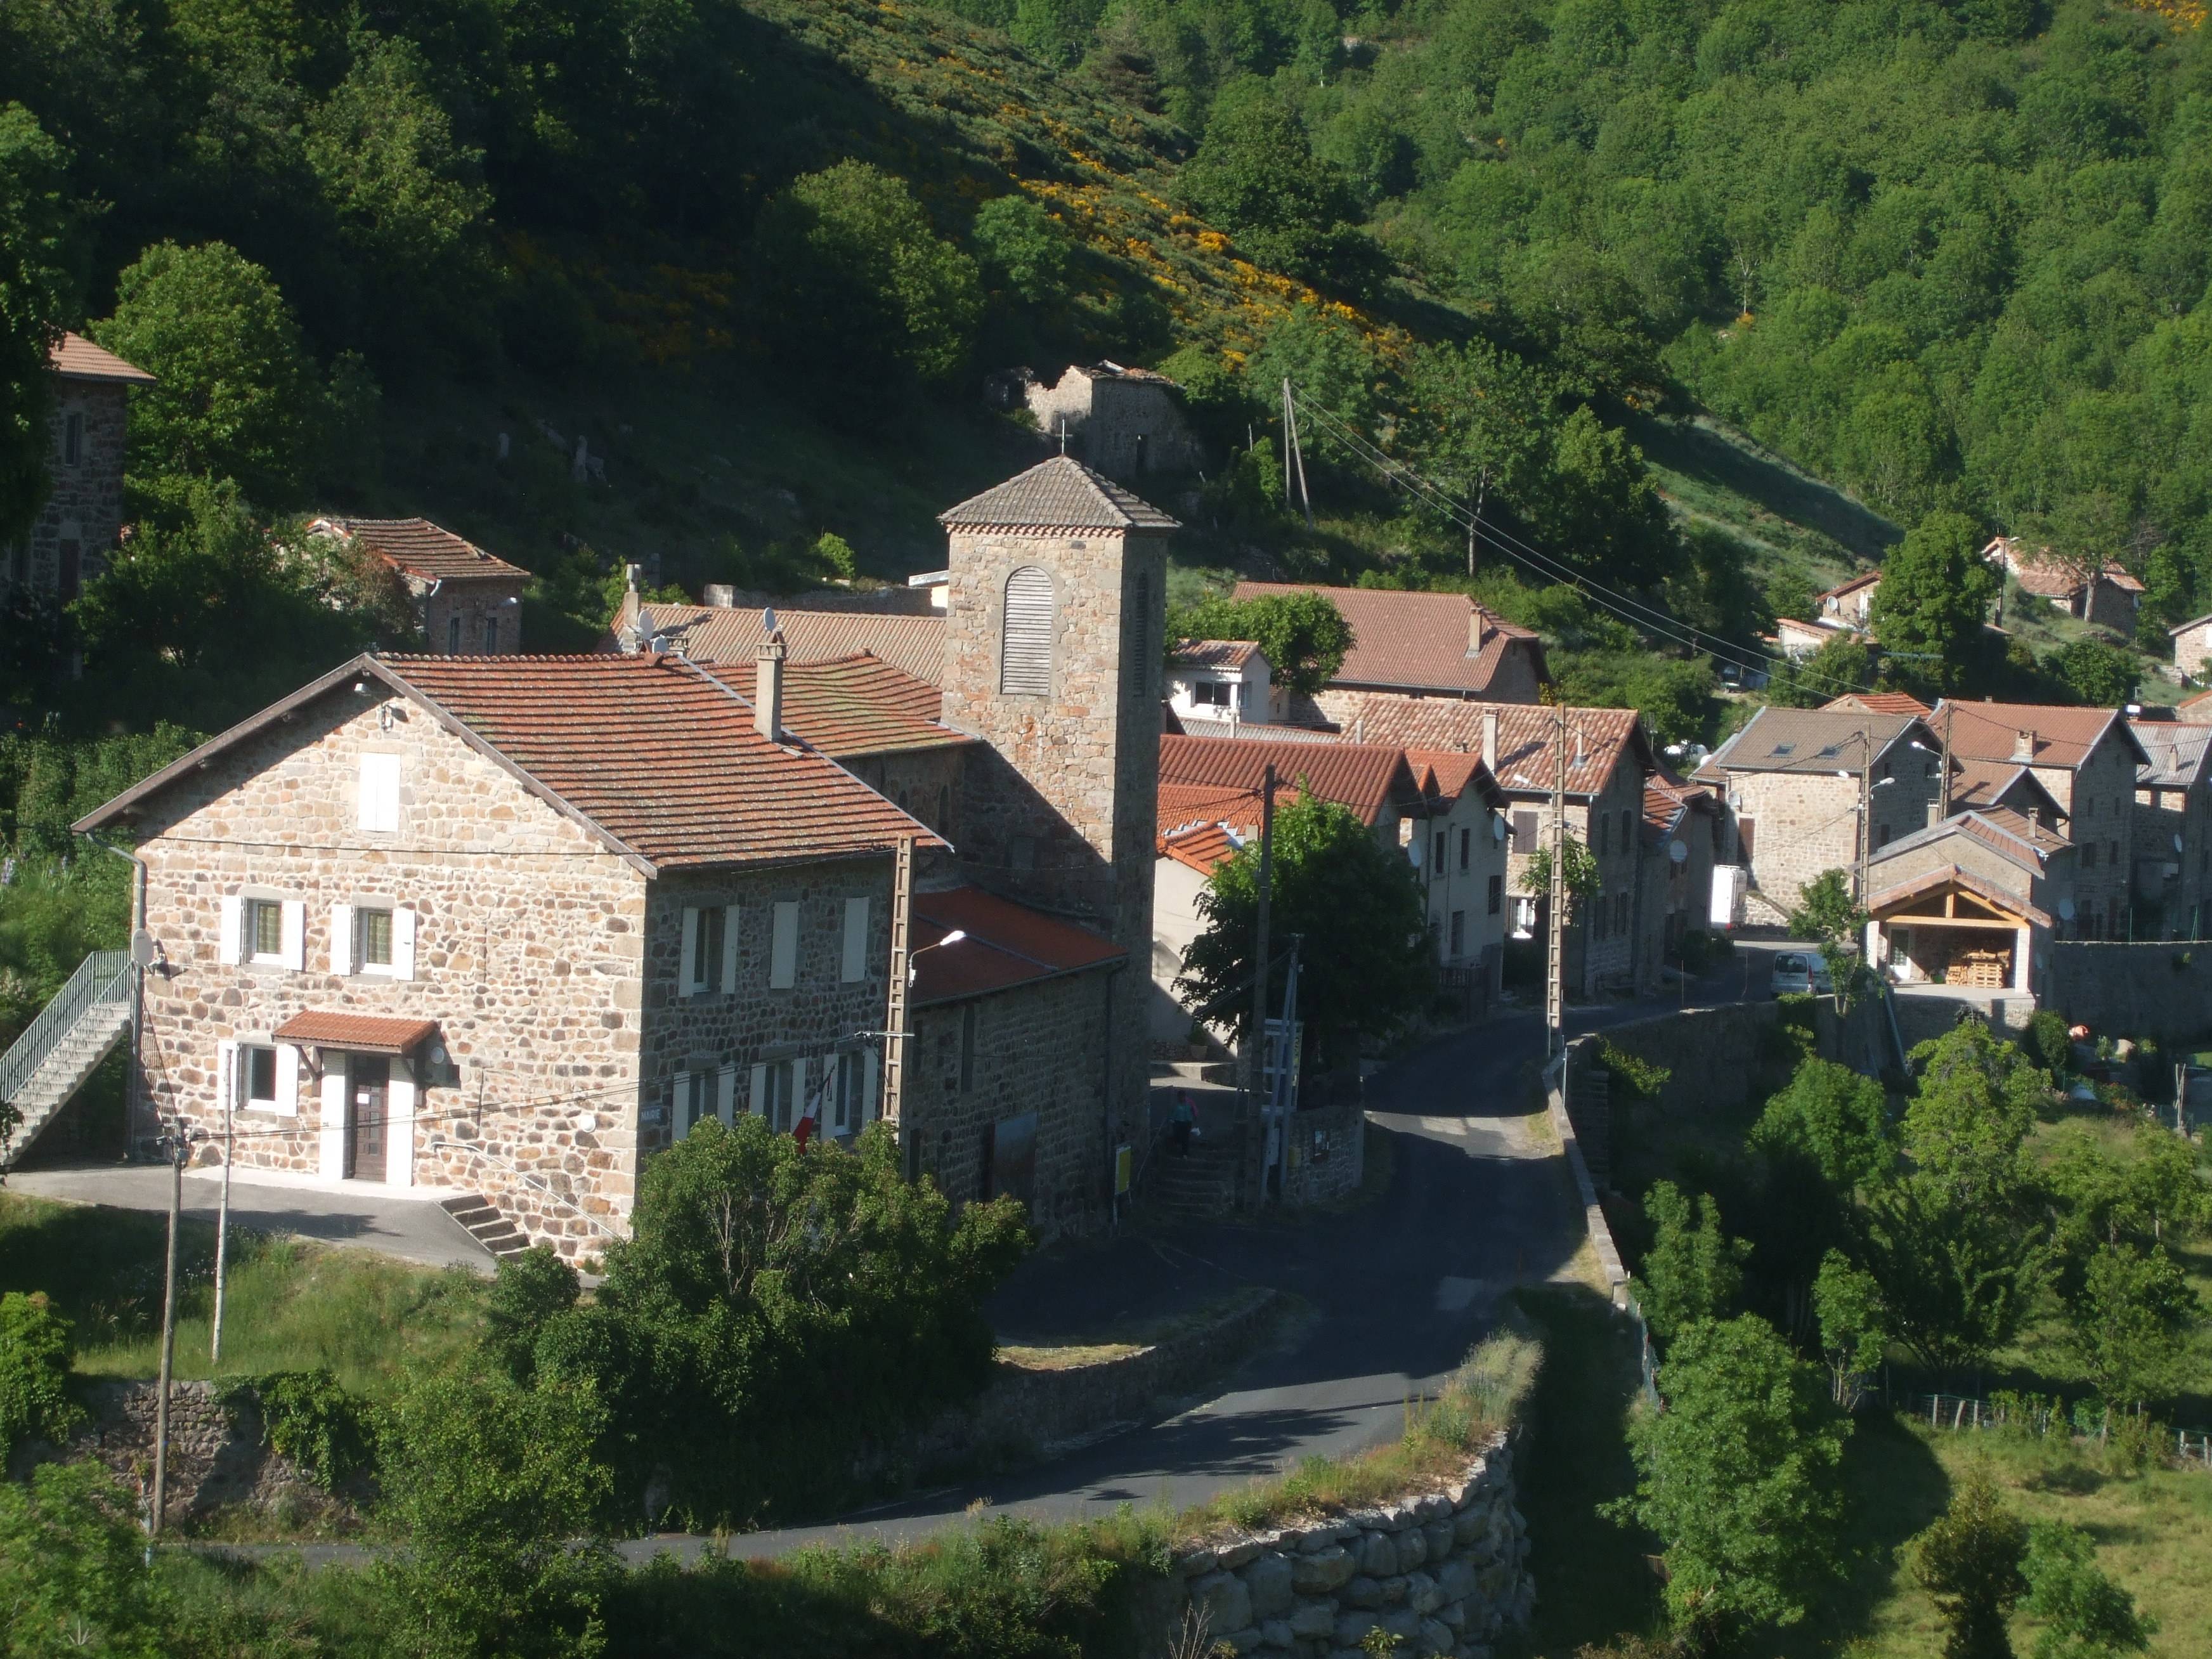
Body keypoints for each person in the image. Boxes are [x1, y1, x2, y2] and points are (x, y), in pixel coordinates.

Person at [1171, 1090, 1195, 1157]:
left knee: (1186, 1138)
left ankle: (1185, 1153)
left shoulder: (1189, 1104)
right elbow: (1174, 1113)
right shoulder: (1177, 1105)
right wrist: (1172, 1119)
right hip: (1178, 1122)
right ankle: (1180, 1150)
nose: (1181, 1098)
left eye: (1182, 1097)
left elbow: (1192, 1112)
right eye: (1180, 1097)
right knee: (1178, 1136)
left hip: (1187, 1123)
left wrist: (1192, 1119)